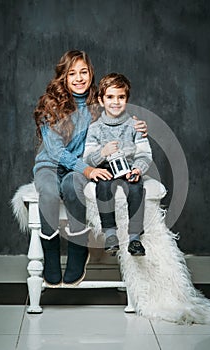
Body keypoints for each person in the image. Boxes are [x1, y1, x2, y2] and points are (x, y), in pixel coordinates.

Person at [33, 50, 148, 287]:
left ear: (90, 73)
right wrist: (87, 170)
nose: (79, 78)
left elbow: (117, 115)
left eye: (83, 72)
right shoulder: (50, 104)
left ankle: (78, 248)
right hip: (50, 166)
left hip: (81, 167)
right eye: (72, 73)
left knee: (72, 186)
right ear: (63, 76)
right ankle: (51, 255)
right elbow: (55, 152)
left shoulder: (97, 102)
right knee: (49, 191)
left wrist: (137, 126)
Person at [83, 73, 152, 256]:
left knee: (136, 188)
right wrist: (102, 153)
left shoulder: (135, 126)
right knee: (104, 186)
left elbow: (145, 154)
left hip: (129, 168)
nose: (116, 102)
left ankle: (135, 238)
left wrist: (138, 168)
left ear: (127, 99)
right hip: (106, 169)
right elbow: (88, 159)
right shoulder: (95, 128)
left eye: (121, 97)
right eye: (110, 97)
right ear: (101, 100)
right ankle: (110, 234)